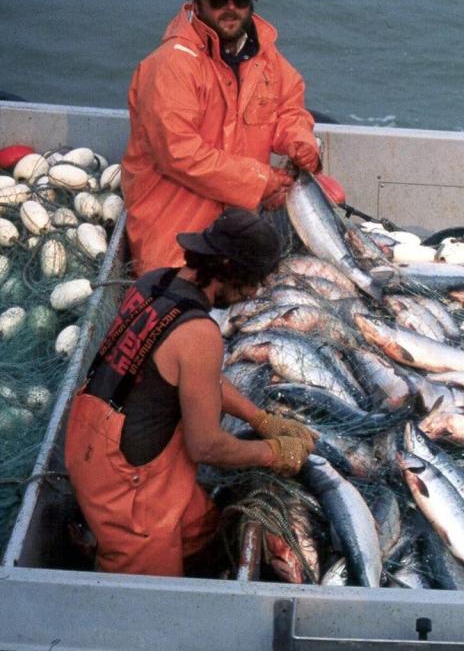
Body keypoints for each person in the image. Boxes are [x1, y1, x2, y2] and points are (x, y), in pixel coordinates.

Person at [65, 208, 316, 577]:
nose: (254, 292)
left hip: (90, 438)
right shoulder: (199, 333)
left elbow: (199, 378)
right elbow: (207, 447)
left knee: (201, 529)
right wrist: (274, 453)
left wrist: (261, 419)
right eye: (253, 280)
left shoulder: (153, 283)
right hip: (126, 488)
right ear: (229, 267)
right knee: (154, 610)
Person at [120, 0, 324, 276]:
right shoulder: (171, 65)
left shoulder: (264, 57)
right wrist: (261, 182)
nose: (230, 8)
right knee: (186, 309)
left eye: (240, 0)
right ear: (198, 2)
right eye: (218, 0)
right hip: (175, 240)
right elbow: (179, 153)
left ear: (251, 4)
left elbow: (289, 106)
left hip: (235, 229)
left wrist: (299, 140)